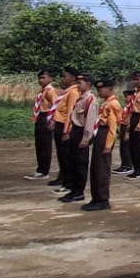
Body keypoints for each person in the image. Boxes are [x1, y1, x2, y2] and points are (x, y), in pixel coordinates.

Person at [82, 79, 123, 212]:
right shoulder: (106, 103)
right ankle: (96, 198)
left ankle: (102, 199)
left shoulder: (113, 104)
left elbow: (113, 127)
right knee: (95, 168)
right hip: (100, 134)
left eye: (102, 89)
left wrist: (108, 146)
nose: (99, 91)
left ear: (110, 89)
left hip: (105, 136)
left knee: (101, 169)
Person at [60, 73, 96, 203]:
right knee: (73, 161)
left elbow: (90, 120)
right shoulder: (80, 98)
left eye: (81, 82)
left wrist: (86, 138)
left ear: (88, 84)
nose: (78, 85)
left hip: (82, 132)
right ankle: (73, 190)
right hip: (75, 131)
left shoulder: (90, 99)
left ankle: (79, 192)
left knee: (80, 163)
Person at [49, 69, 81, 189]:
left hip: (65, 125)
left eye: (64, 76)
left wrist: (66, 130)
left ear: (73, 78)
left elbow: (70, 113)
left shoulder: (73, 92)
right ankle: (62, 176)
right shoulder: (66, 92)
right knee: (61, 154)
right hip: (59, 123)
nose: (62, 79)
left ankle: (68, 181)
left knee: (66, 155)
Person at [26, 70, 58, 180]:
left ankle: (44, 171)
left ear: (50, 79)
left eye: (43, 77)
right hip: (40, 117)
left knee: (45, 145)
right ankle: (40, 169)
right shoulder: (43, 91)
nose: (41, 80)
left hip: (46, 117)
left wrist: (52, 121)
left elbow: (55, 106)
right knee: (39, 144)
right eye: (39, 78)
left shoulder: (50, 91)